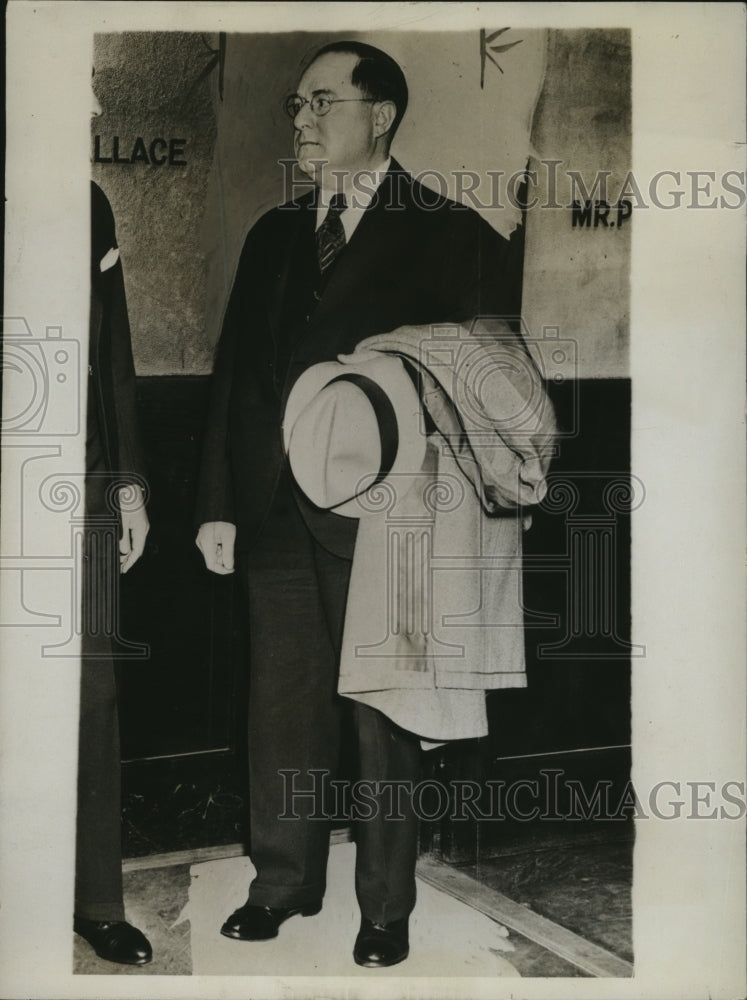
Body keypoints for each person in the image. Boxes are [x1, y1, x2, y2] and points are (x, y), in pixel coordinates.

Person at [195, 41, 526, 968]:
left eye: (321, 103)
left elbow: (495, 381)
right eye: (296, 106)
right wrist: (217, 504)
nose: (301, 121)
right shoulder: (273, 233)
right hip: (272, 509)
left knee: (385, 714)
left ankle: (384, 907)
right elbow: (235, 378)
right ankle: (282, 884)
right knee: (279, 706)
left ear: (380, 116)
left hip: (389, 519)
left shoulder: (451, 232)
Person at [72, 180, 152, 966]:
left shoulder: (86, 201)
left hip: (80, 487)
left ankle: (95, 900)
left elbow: (113, 355)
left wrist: (128, 488)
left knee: (92, 697)